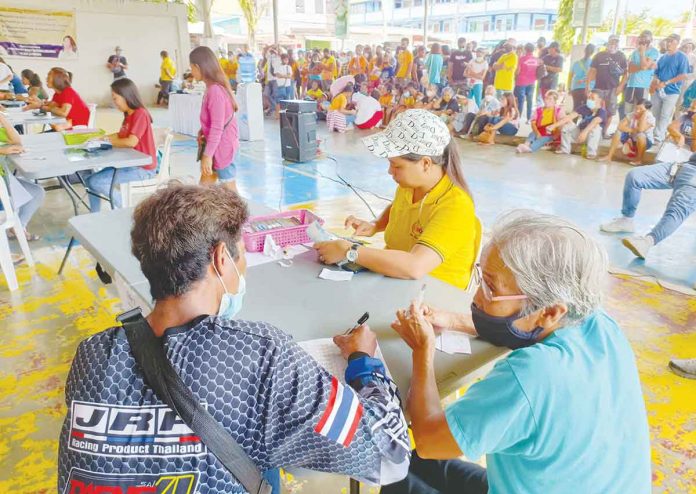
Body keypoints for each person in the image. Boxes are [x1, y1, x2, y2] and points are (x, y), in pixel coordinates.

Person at [57, 183, 411, 492]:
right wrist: (365, 364)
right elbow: (389, 457)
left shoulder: (92, 354)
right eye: (241, 255)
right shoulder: (259, 355)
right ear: (221, 259)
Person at [382, 210, 651, 494]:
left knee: (391, 474)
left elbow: (428, 440)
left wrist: (422, 350)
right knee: (411, 464)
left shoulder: (532, 374)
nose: (477, 296)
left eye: (490, 287)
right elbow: (522, 326)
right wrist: (453, 321)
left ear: (549, 311)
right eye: (481, 279)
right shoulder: (599, 324)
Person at [315, 110, 480, 290]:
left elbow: (415, 266)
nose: (390, 171)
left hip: (432, 296)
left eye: (396, 165)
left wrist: (349, 251)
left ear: (425, 163)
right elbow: (399, 208)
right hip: (395, 281)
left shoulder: (456, 206)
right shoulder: (409, 187)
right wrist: (376, 225)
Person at [600, 107, 696, 258]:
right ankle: (626, 220)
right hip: (684, 166)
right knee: (635, 176)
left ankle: (648, 242)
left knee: (676, 209)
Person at [84, 78, 157, 212]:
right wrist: (100, 138)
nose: (114, 102)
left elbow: (131, 141)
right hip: (129, 164)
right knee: (89, 180)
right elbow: (120, 135)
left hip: (142, 168)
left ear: (126, 96)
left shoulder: (140, 113)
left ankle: (129, 210)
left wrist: (105, 141)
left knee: (96, 182)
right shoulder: (128, 115)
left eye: (115, 98)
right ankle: (94, 214)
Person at [191, 46, 239, 191]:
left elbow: (217, 127)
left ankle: (242, 215)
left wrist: (207, 155)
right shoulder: (212, 89)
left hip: (221, 148)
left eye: (191, 68)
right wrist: (203, 130)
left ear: (198, 67)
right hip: (217, 146)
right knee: (202, 192)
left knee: (231, 194)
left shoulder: (215, 91)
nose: (191, 72)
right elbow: (216, 121)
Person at [0, 113, 45, 247]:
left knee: (36, 192)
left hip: (4, 180)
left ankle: (17, 228)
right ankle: (14, 228)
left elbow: (17, 141)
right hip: (2, 185)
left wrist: (3, 118)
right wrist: (2, 150)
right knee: (29, 195)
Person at [651, 33, 690, 144]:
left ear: (677, 43)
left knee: (665, 114)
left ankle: (658, 137)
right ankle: (657, 134)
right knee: (656, 113)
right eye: (667, 41)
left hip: (672, 91)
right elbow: (656, 72)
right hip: (658, 90)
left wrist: (666, 83)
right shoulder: (663, 57)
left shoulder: (682, 57)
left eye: (671, 41)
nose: (668, 43)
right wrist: (657, 79)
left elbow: (683, 75)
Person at [24, 68, 89, 131]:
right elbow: (51, 106)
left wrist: (41, 106)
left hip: (77, 128)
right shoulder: (57, 94)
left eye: (49, 76)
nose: (46, 79)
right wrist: (39, 103)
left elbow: (63, 112)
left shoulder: (68, 92)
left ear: (57, 79)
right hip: (66, 126)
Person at [588, 36, 627, 138]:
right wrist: (587, 87)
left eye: (615, 43)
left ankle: (603, 132)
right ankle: (593, 130)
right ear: (607, 43)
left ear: (618, 45)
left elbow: (626, 74)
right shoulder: (599, 55)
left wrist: (621, 87)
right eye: (611, 43)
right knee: (594, 110)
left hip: (613, 89)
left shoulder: (622, 56)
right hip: (598, 88)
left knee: (610, 112)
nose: (613, 45)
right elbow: (592, 71)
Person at [551, 90, 606, 159]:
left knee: (596, 127)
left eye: (592, 98)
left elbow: (595, 121)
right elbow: (570, 116)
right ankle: (565, 149)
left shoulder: (602, 112)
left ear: (599, 100)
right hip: (581, 134)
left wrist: (585, 132)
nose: (589, 100)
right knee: (567, 125)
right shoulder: (584, 107)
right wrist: (553, 126)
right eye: (588, 97)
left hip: (593, 137)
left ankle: (591, 153)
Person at [598, 99, 655, 165]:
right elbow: (620, 126)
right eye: (636, 108)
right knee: (618, 132)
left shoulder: (651, 118)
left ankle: (639, 160)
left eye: (641, 109)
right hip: (632, 139)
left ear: (647, 111)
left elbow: (641, 130)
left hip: (645, 142)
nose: (637, 111)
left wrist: (643, 116)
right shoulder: (632, 115)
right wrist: (633, 130)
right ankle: (609, 156)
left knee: (641, 135)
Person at [620, 31, 658, 117]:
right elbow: (630, 69)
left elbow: (644, 66)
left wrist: (642, 54)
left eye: (646, 38)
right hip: (631, 84)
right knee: (628, 110)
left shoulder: (653, 52)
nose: (643, 40)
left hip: (643, 85)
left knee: (640, 110)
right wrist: (644, 66)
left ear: (651, 40)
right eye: (642, 38)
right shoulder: (635, 52)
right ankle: (626, 129)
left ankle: (637, 129)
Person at [514, 43, 540, 122]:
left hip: (521, 82)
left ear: (525, 49)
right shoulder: (536, 59)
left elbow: (518, 71)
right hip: (532, 82)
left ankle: (518, 118)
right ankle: (529, 118)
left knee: (520, 101)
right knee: (530, 100)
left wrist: (515, 75)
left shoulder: (521, 59)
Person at [568, 43, 595, 110]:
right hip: (588, 89)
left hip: (576, 88)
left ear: (584, 50)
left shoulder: (576, 63)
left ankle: (573, 120)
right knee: (587, 109)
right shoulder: (593, 64)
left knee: (576, 109)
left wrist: (569, 88)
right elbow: (594, 76)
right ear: (592, 52)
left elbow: (570, 76)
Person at [274, 53, 293, 118]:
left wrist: (282, 76)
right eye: (285, 59)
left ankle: (285, 115)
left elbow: (290, 76)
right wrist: (286, 76)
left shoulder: (289, 67)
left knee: (287, 100)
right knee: (279, 100)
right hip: (281, 86)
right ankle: (278, 115)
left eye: (287, 59)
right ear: (281, 59)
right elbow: (277, 75)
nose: (286, 61)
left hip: (288, 85)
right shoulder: (277, 66)